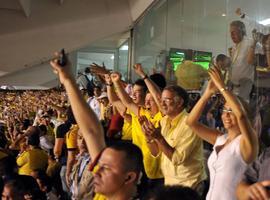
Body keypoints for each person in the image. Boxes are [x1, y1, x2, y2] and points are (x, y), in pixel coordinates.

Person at [50, 52, 143, 200]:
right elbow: (91, 131)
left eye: (105, 168)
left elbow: (92, 131)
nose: (94, 171)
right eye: (100, 165)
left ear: (129, 177)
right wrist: (68, 80)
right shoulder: (104, 193)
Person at [186, 66, 258, 200]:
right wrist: (207, 93)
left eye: (231, 111)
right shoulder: (220, 139)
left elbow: (241, 115)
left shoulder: (245, 143)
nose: (226, 115)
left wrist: (222, 87)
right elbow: (191, 122)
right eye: (224, 111)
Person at [133, 64, 206, 192]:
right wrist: (149, 137)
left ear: (179, 102)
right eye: (162, 100)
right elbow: (156, 153)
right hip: (170, 183)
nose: (161, 103)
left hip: (189, 186)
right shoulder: (165, 121)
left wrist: (159, 138)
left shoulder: (189, 124)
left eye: (166, 100)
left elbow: (177, 159)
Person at [229, 20, 257, 102]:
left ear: (242, 31)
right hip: (234, 87)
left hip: (245, 87)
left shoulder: (251, 43)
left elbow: (255, 62)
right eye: (230, 32)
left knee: (242, 112)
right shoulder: (234, 47)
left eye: (234, 32)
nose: (231, 35)